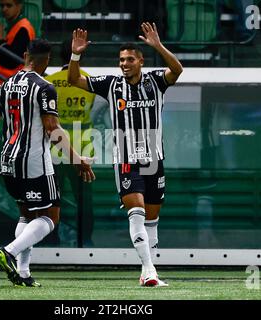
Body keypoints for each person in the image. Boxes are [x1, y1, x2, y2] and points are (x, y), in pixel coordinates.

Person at [0, 39, 95, 287]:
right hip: (34, 160)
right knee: (50, 217)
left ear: (25, 55)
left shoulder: (5, 86)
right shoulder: (45, 87)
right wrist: (76, 160)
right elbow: (52, 128)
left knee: (26, 215)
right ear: (47, 60)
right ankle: (9, 252)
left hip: (8, 160)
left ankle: (23, 273)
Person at [68, 22, 183, 287]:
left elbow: (177, 70)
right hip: (126, 159)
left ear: (141, 61)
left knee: (152, 220)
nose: (124, 63)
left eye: (130, 59)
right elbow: (74, 79)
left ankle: (147, 271)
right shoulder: (111, 84)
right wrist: (76, 55)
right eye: (121, 60)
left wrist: (158, 46)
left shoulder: (156, 81)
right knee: (137, 213)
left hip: (154, 159)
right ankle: (149, 270)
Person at [44, 41, 106, 247]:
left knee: (52, 198)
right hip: (82, 149)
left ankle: (51, 240)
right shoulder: (89, 80)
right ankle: (86, 241)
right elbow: (97, 112)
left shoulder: (49, 82)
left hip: (54, 149)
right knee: (84, 201)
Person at [0, 0, 36, 88]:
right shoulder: (14, 26)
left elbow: (12, 62)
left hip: (15, 86)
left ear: (19, 6)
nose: (4, 9)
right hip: (8, 85)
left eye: (9, 5)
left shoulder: (23, 29)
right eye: (2, 6)